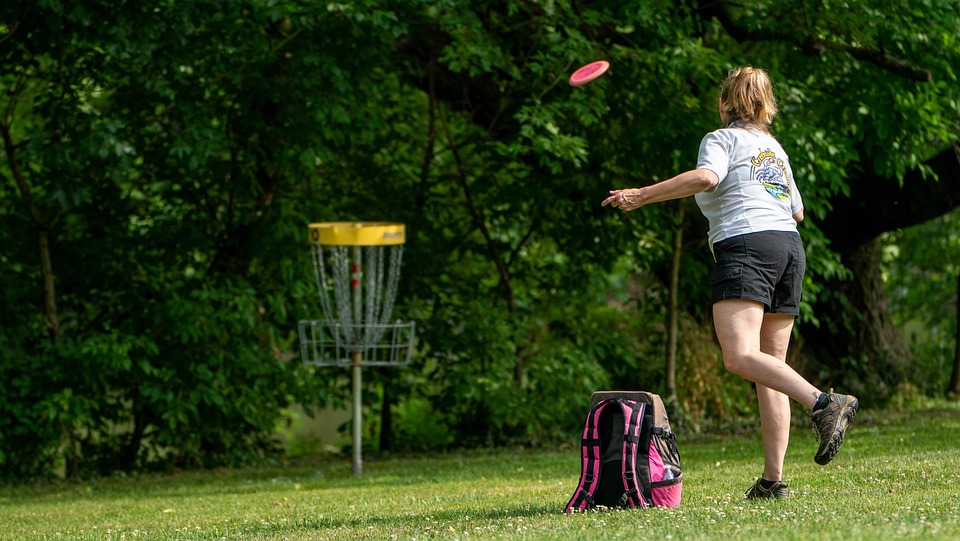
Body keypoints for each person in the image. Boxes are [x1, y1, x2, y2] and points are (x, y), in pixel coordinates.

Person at [601, 66, 858, 500]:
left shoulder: (721, 139)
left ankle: (824, 402)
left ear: (724, 103)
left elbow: (707, 178)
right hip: (789, 247)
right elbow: (797, 210)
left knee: (739, 356)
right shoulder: (775, 149)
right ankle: (772, 481)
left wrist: (641, 195)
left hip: (747, 245)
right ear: (765, 106)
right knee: (770, 368)